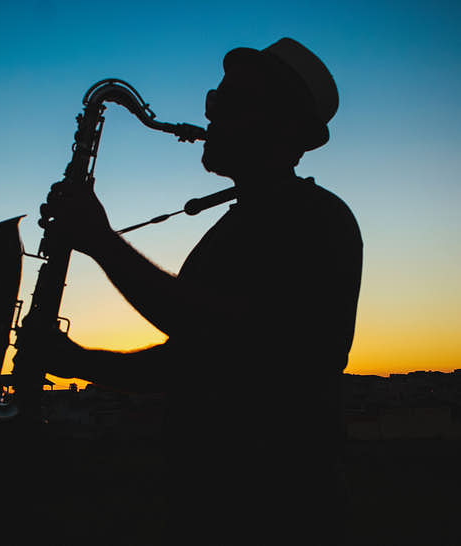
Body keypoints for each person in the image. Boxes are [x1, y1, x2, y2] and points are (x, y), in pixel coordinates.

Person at [35, 37, 362, 545]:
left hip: (275, 507)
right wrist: (77, 360)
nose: (210, 113)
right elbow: (189, 361)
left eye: (229, 102)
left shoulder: (317, 220)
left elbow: (224, 331)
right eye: (215, 98)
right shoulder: (240, 225)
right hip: (214, 501)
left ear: (282, 127)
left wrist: (99, 241)